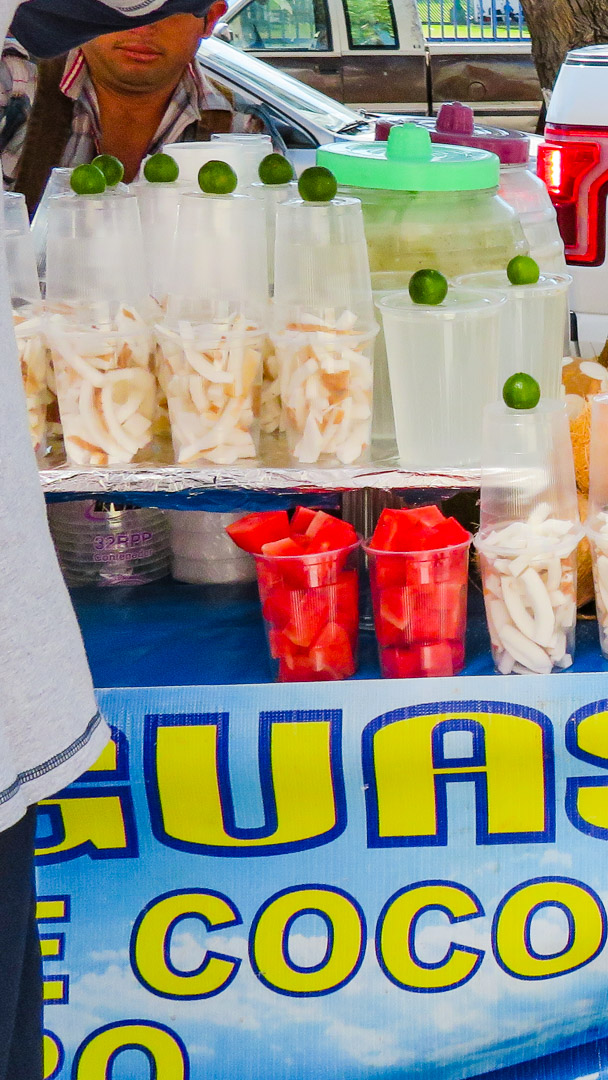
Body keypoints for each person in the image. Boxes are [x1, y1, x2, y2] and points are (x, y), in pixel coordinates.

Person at [0, 3, 227, 1074]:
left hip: (182, 494)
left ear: (214, 19)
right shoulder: (19, 106)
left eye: (176, 7)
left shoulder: (239, 133)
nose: (143, 28)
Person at [0, 0, 268, 212]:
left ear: (211, 18)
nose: (141, 28)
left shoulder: (243, 129)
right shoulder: (16, 87)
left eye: (167, 10)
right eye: (123, 8)